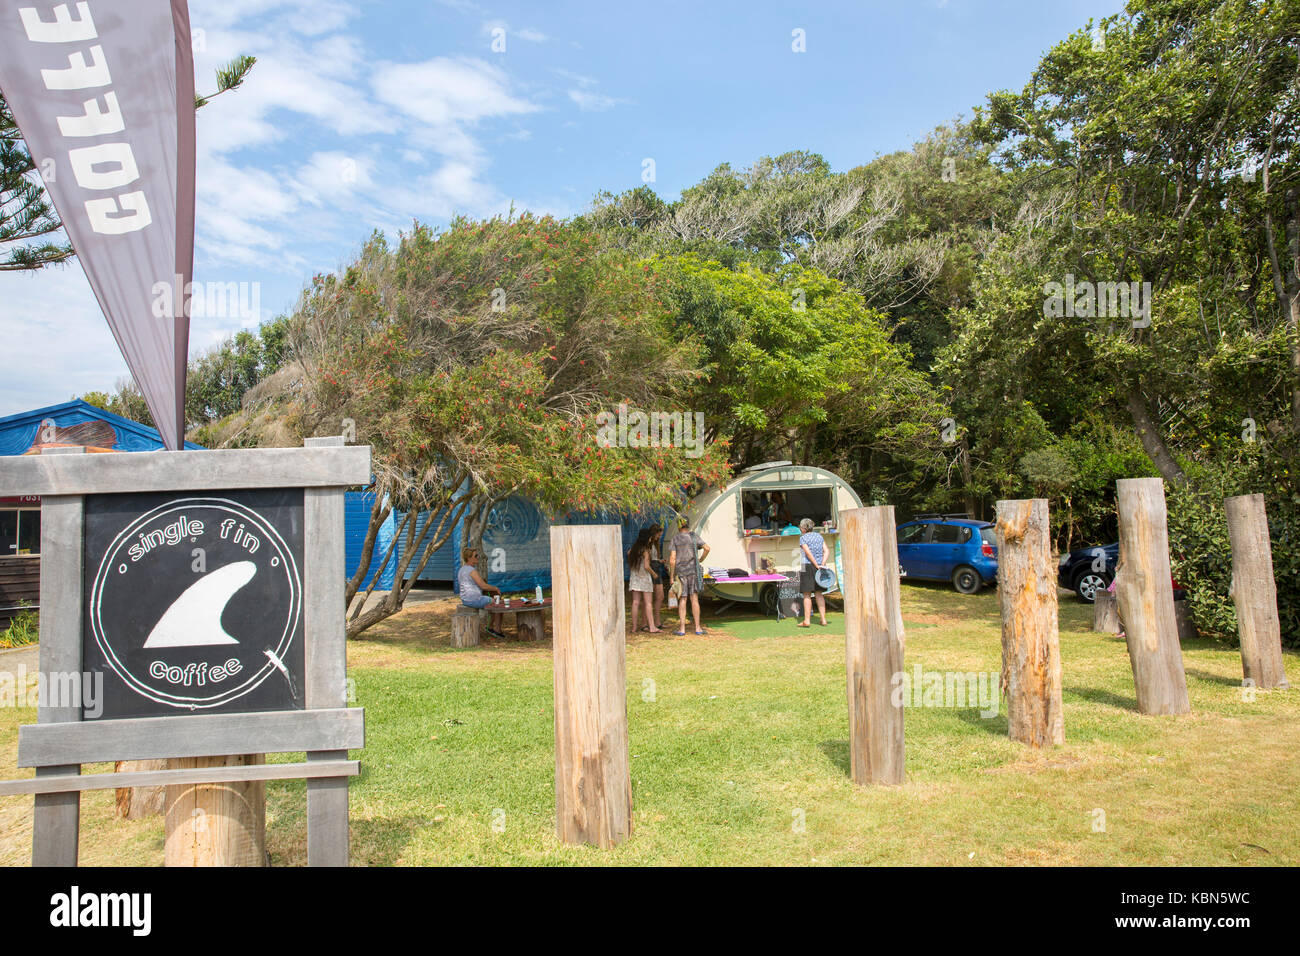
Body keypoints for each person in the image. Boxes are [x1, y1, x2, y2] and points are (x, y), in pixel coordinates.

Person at [668, 515, 709, 635]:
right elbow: (707, 548)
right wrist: (700, 559)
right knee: (694, 598)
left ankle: (682, 629)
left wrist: (671, 576)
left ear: (679, 525)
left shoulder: (675, 539)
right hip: (693, 572)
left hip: (681, 573)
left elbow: (672, 559)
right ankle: (697, 628)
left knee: (683, 599)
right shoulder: (693, 537)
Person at [458, 547, 506, 638]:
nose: (477, 557)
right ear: (469, 558)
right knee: (499, 604)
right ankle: (497, 630)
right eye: (475, 556)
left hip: (465, 599)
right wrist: (495, 588)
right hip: (474, 599)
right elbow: (483, 585)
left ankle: (491, 627)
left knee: (492, 601)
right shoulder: (472, 571)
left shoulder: (462, 569)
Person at [796, 517, 829, 628]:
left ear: (804, 528)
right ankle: (823, 620)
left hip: (808, 566)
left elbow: (808, 553)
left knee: (807, 594)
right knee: (819, 593)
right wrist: (822, 564)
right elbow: (827, 551)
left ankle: (807, 621)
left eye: (801, 527)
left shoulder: (803, 538)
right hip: (820, 566)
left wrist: (815, 565)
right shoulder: (819, 536)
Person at [627, 530, 661, 633]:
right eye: (650, 537)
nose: (651, 539)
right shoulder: (646, 551)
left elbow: (630, 559)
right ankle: (652, 627)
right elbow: (646, 566)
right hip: (645, 578)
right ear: (646, 538)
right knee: (648, 603)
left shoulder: (632, 550)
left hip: (635, 578)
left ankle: (634, 628)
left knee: (635, 602)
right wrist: (654, 574)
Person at [646, 524, 668, 629]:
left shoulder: (655, 544)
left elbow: (654, 558)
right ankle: (647, 623)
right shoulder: (648, 543)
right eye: (658, 535)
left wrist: (660, 561)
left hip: (656, 568)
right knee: (648, 598)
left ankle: (657, 621)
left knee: (660, 596)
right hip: (651, 569)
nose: (659, 537)